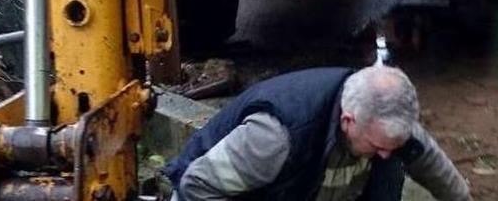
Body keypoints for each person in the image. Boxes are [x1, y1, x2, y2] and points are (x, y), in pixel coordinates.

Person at [164, 65, 471, 200]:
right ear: (348, 121)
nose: (386, 154)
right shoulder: (274, 138)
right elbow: (197, 186)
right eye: (378, 146)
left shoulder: (389, 124)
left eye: (392, 145)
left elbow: (435, 170)